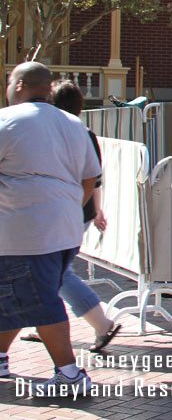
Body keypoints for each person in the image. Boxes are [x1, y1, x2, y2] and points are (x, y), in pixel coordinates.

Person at [0, 63, 102, 396]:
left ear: (19, 86)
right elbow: (90, 177)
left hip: (23, 231)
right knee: (16, 297)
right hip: (65, 229)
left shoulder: (6, 121)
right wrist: (68, 207)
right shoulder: (74, 124)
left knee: (39, 300)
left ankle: (70, 373)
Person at [20, 81, 121, 353]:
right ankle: (46, 324)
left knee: (56, 271)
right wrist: (96, 209)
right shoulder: (83, 131)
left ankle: (100, 323)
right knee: (52, 270)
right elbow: (95, 178)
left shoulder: (67, 132)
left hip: (68, 211)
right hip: (77, 209)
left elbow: (92, 177)